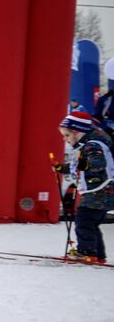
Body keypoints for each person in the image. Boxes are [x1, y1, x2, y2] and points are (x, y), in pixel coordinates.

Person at [55, 110, 110, 263]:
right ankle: (97, 255)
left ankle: (86, 252)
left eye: (67, 135)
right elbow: (77, 165)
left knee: (84, 221)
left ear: (78, 132)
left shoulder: (93, 145)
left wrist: (84, 164)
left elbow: (98, 163)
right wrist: (62, 168)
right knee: (91, 223)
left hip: (100, 191)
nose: (65, 139)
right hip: (98, 190)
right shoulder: (86, 145)